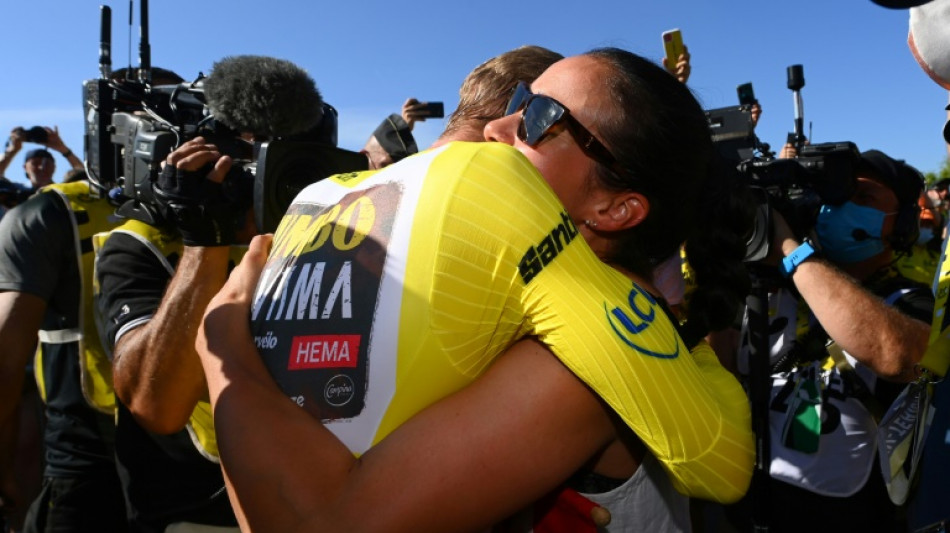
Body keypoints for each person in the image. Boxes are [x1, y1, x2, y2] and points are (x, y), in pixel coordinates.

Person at [196, 47, 755, 532]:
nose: (497, 129)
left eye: (540, 117)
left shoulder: (578, 366)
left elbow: (314, 523)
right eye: (518, 101)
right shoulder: (535, 303)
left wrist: (221, 340)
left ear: (615, 208)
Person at [93, 54, 325, 532]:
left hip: (306, 498)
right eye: (236, 156)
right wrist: (204, 242)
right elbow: (157, 406)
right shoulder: (141, 243)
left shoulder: (316, 234)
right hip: (190, 510)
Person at [722, 149, 931, 532]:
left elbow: (898, 356)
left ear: (899, 222)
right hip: (755, 499)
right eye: (836, 196)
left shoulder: (910, 301)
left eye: (862, 197)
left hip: (851, 514)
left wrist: (791, 250)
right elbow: (719, 365)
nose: (839, 208)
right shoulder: (769, 288)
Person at [0, 168, 127, 531]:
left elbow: (5, 363)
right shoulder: (238, 196)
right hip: (208, 462)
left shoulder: (51, 211)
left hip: (87, 459)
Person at [0, 126, 83, 189]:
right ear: (25, 167)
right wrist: (12, 150)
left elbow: (84, 176)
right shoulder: (17, 192)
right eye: (35, 164)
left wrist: (62, 148)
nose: (41, 167)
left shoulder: (61, 191)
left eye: (47, 163)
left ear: (54, 167)